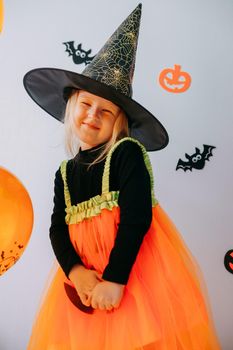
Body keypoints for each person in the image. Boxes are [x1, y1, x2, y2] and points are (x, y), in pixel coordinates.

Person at [24, 4, 220, 350]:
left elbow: (136, 218)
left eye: (106, 111)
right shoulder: (65, 173)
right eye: (86, 104)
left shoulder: (126, 154)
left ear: (119, 122)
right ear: (72, 106)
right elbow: (57, 228)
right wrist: (75, 272)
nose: (92, 116)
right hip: (85, 282)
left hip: (133, 275)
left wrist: (114, 279)